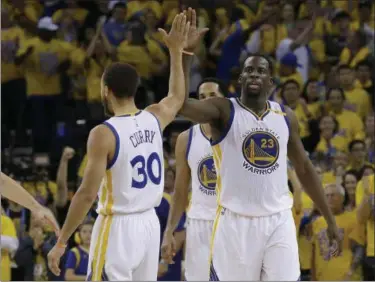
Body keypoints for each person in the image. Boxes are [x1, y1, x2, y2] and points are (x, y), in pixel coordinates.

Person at [162, 19, 341, 280]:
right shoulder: (223, 109)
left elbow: (303, 167)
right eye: (249, 71)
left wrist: (331, 220)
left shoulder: (285, 115)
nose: (255, 74)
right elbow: (178, 104)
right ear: (241, 79)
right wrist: (185, 55)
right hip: (234, 222)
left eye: (261, 71)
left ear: (270, 82)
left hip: (278, 218)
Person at [47, 13, 190, 281]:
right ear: (135, 90)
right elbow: (177, 96)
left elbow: (87, 194)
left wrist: (62, 240)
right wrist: (175, 51)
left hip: (118, 227)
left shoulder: (104, 133)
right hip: (149, 225)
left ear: (106, 90)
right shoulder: (154, 117)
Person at [164, 77, 225, 281]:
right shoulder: (186, 139)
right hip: (199, 222)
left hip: (233, 221)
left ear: (224, 99)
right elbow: (180, 191)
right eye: (201, 97)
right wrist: (170, 230)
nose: (206, 100)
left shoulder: (239, 133)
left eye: (212, 95)